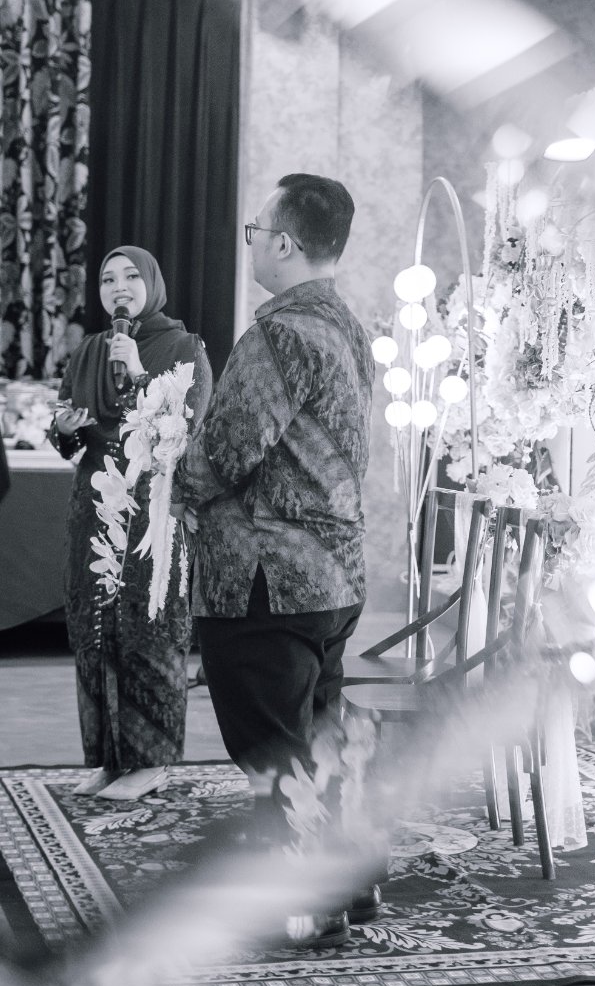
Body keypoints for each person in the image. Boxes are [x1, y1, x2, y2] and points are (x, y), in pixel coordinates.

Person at [173, 174, 375, 880]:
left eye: (257, 231)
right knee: (322, 742)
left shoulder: (279, 334)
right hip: (334, 575)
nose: (252, 243)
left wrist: (175, 485)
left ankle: (303, 899)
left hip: (269, 580)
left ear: (285, 243)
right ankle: (350, 882)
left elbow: (227, 450)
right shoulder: (349, 327)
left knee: (275, 753)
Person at [49, 246, 212, 798]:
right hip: (95, 507)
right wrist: (65, 427)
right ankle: (108, 758)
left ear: (151, 283)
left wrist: (141, 374)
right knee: (94, 628)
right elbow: (68, 433)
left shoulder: (186, 348)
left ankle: (151, 760)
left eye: (130, 277)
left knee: (148, 627)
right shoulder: (89, 350)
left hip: (152, 509)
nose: (118, 287)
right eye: (107, 279)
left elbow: (186, 430)